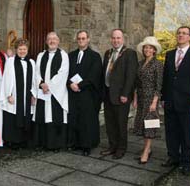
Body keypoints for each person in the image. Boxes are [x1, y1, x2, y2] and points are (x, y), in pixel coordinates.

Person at [161, 26, 190, 175]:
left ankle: (186, 162)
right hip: (170, 100)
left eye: (184, 33)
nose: (181, 35)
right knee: (171, 131)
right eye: (179, 33)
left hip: (187, 102)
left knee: (186, 133)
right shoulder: (169, 54)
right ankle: (173, 157)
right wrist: (163, 97)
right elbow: (166, 78)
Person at [100, 29, 138, 159]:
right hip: (108, 94)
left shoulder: (129, 53)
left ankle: (121, 149)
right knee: (110, 123)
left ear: (123, 39)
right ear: (111, 39)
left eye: (118, 38)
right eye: (113, 38)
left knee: (120, 124)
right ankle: (112, 146)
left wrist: (126, 94)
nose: (116, 40)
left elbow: (131, 76)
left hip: (121, 96)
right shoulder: (108, 53)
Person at [67, 30, 103, 156]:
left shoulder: (95, 56)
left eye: (83, 38)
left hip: (87, 93)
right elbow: (66, 72)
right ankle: (75, 143)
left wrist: (80, 85)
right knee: (74, 117)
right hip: (72, 92)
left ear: (88, 39)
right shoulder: (70, 55)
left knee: (86, 120)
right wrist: (70, 84)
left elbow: (94, 75)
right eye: (79, 39)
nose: (81, 41)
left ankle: (87, 145)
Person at [33, 32, 69, 151]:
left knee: (55, 117)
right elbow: (36, 72)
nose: (52, 41)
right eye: (49, 39)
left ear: (58, 41)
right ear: (46, 41)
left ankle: (55, 145)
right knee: (43, 117)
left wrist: (50, 86)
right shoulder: (41, 55)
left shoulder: (63, 55)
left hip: (56, 92)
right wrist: (41, 83)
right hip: (43, 91)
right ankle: (42, 143)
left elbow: (63, 73)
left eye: (54, 39)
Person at [0, 38, 36, 149]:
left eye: (24, 49)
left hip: (26, 95)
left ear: (27, 49)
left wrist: (34, 95)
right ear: (16, 49)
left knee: (26, 115)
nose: (22, 51)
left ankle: (24, 140)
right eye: (20, 49)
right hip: (14, 94)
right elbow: (7, 78)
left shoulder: (31, 63)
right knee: (13, 116)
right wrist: (8, 94)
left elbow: (34, 79)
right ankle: (13, 141)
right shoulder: (11, 61)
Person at [132, 36, 163, 164]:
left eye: (150, 47)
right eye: (146, 47)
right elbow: (136, 83)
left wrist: (155, 102)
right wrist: (135, 99)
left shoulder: (158, 64)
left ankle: (146, 151)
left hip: (151, 99)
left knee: (150, 125)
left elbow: (159, 84)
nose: (147, 49)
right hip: (140, 97)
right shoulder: (140, 63)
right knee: (143, 125)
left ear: (154, 50)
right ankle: (147, 149)